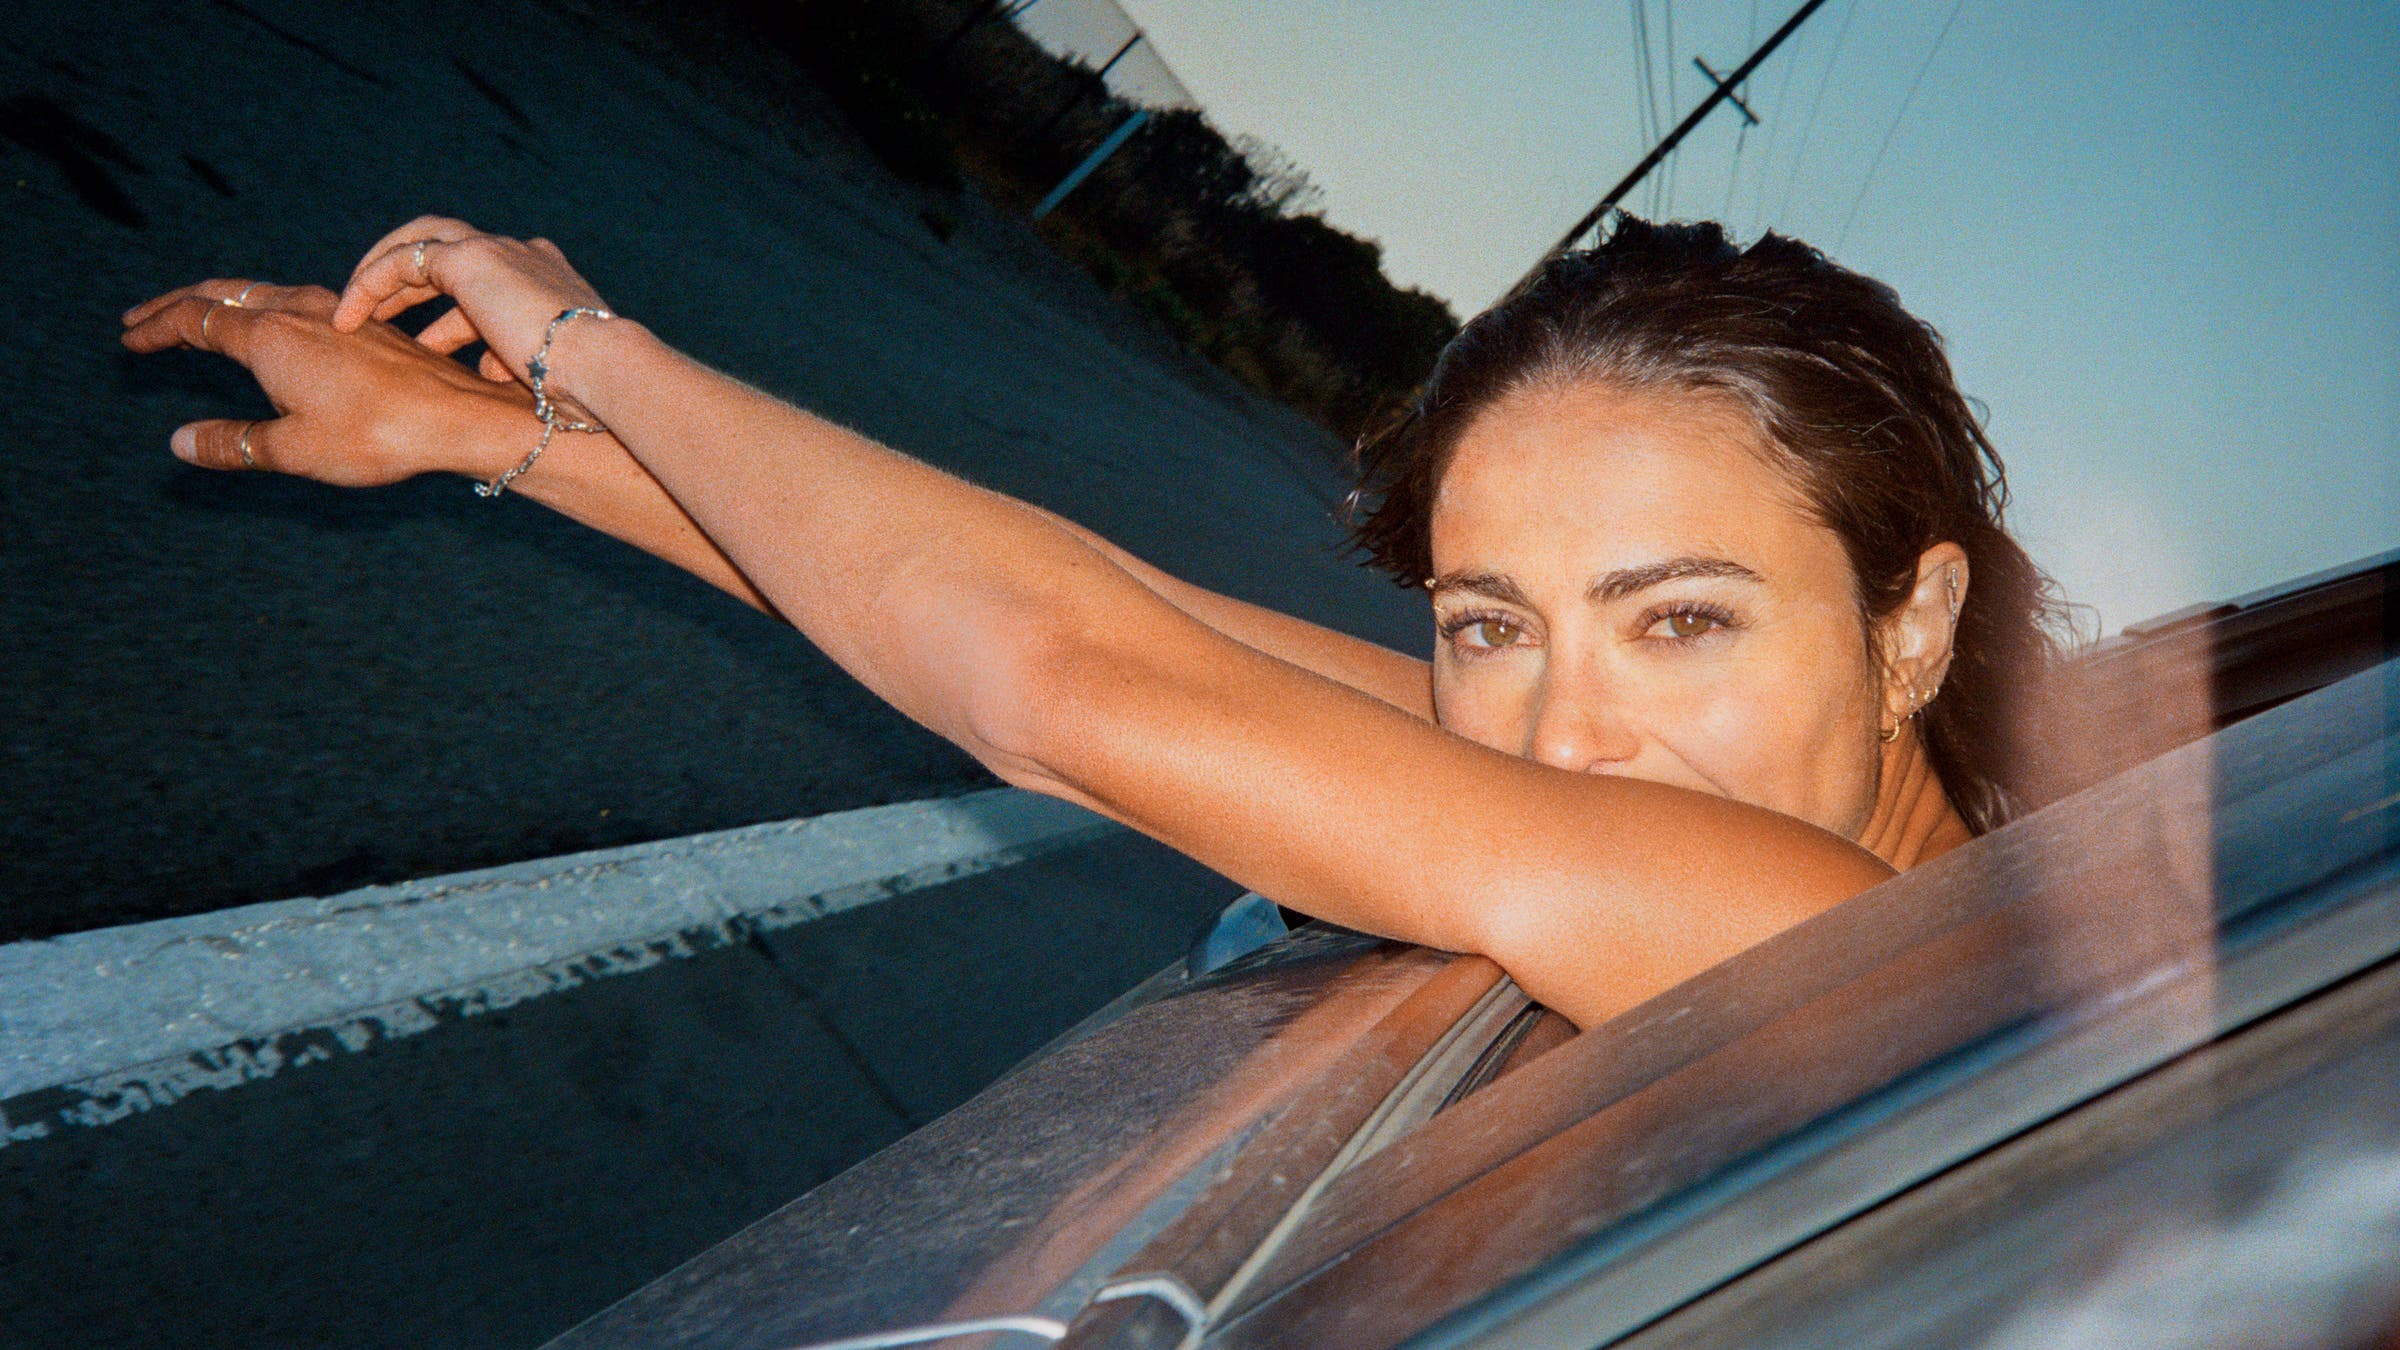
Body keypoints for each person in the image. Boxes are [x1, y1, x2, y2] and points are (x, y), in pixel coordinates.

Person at [120, 214, 2068, 1029]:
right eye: (1492, 623)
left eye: (1680, 624)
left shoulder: (1864, 953)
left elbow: (1063, 683)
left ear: (1911, 628)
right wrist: (498, 434)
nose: (1561, 736)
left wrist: (589, 349)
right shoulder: (1673, 813)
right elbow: (1138, 621)